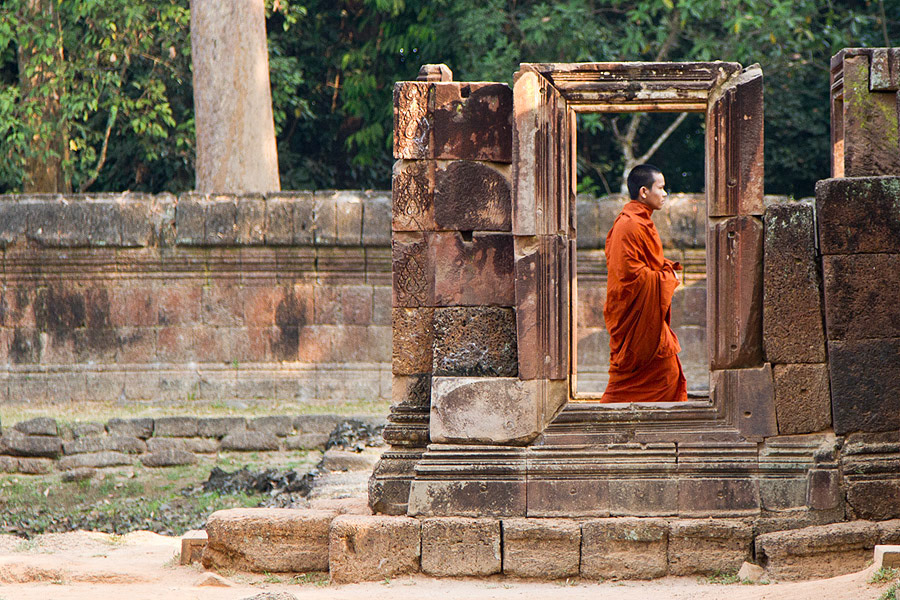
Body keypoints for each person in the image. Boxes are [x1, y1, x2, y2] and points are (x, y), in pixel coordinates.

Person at [600, 164, 688, 404]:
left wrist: (664, 269)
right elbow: (629, 275)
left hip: (647, 317)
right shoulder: (628, 224)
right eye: (661, 188)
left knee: (669, 374)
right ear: (644, 191)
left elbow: (646, 263)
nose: (665, 193)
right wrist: (666, 278)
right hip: (634, 316)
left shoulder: (641, 221)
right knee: (660, 375)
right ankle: (606, 418)